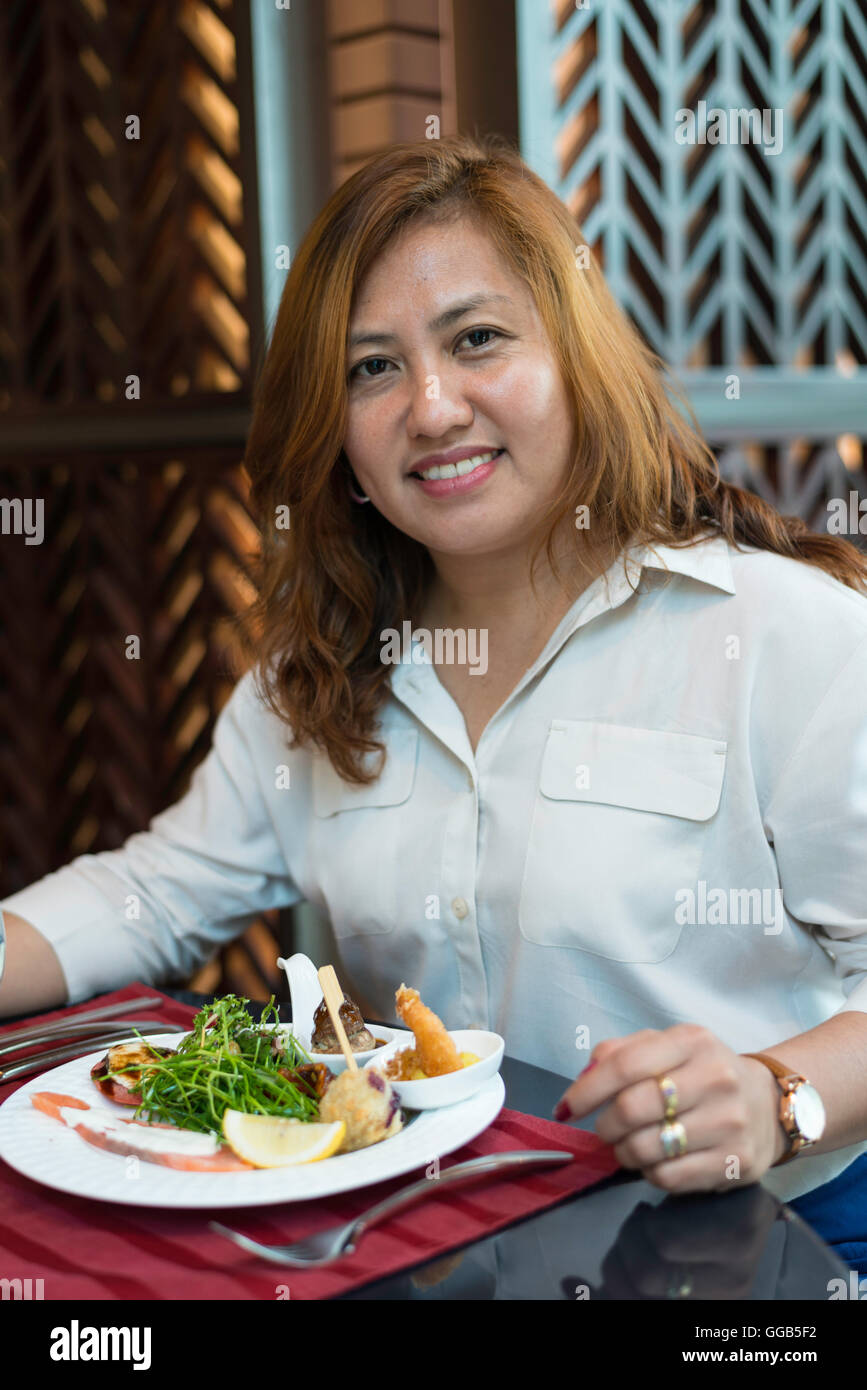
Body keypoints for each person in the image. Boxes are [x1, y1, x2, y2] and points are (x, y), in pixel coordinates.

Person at [2, 134, 867, 1269]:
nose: (432, 405)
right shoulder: (315, 677)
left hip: (771, 1237)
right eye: (371, 368)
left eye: (477, 339)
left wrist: (776, 1096)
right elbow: (157, 892)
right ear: (340, 436)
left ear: (575, 354)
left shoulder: (784, 632)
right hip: (435, 1241)